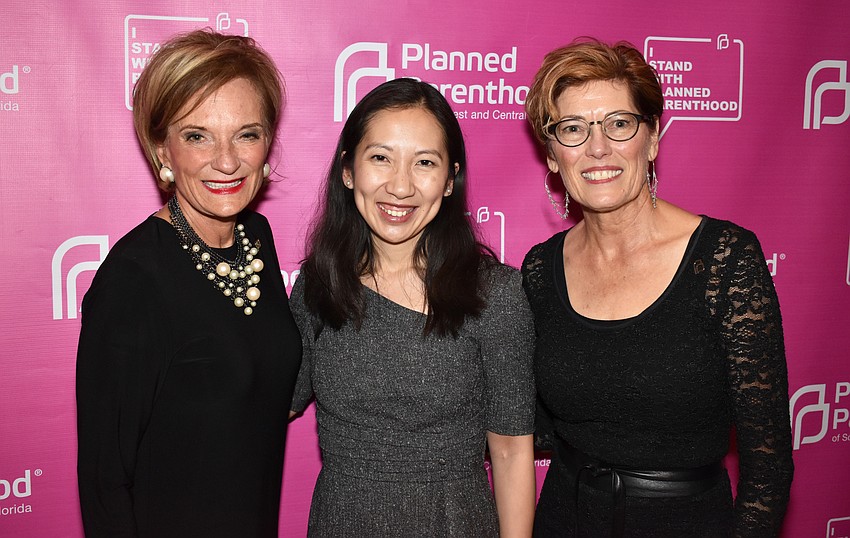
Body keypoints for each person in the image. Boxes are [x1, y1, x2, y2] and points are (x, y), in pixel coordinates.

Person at [521, 38, 793, 537]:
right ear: (553, 156)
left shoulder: (725, 259)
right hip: (564, 518)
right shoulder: (540, 269)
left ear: (652, 139)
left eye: (619, 124)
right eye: (573, 129)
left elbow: (769, 470)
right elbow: (535, 424)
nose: (597, 148)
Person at [76, 30, 301, 537]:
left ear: (268, 143)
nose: (227, 161)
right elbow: (104, 481)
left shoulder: (255, 236)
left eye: (247, 133)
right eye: (197, 135)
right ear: (162, 149)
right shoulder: (132, 281)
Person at [289, 78, 536, 537]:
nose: (399, 187)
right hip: (342, 523)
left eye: (424, 163)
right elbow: (267, 398)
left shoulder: (495, 295)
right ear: (348, 170)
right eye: (380, 158)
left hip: (454, 523)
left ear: (448, 180)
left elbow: (509, 451)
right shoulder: (317, 286)